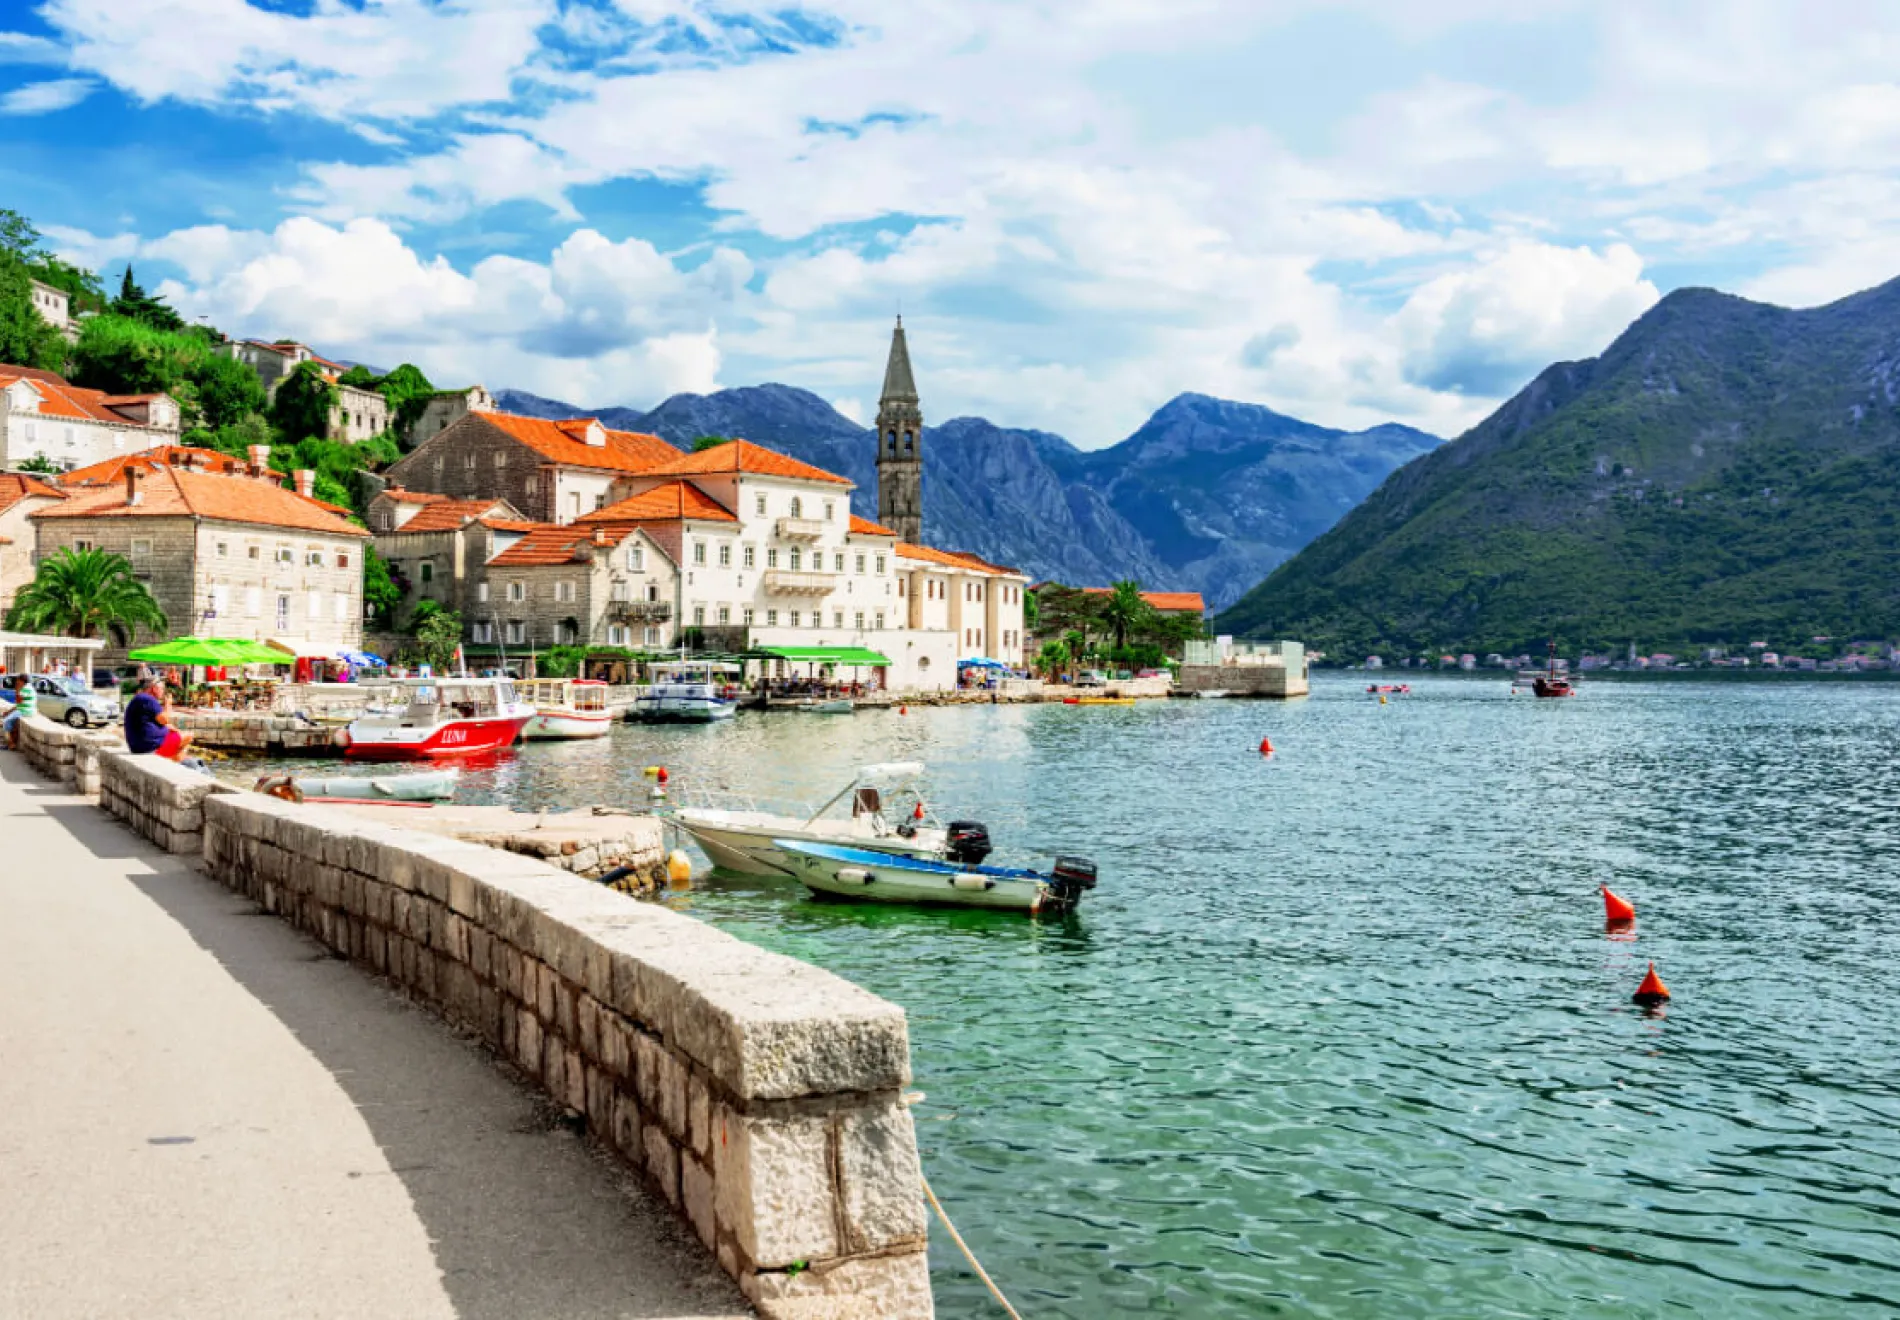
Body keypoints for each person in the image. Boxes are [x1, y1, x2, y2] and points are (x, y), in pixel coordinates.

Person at [124, 675, 192, 761]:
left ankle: (174, 762)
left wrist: (168, 728)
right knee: (188, 736)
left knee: (176, 734)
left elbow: (155, 721)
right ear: (154, 688)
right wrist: (168, 704)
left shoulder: (141, 698)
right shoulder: (148, 699)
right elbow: (165, 720)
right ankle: (175, 764)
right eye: (162, 688)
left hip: (139, 745)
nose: (163, 691)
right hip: (149, 746)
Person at [4, 675, 37, 749]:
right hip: (24, 709)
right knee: (12, 722)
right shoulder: (27, 687)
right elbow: (19, 704)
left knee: (7, 721)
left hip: (26, 710)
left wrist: (17, 689)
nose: (16, 682)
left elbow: (18, 701)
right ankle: (12, 742)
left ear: (22, 681)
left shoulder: (26, 688)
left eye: (18, 680)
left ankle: (11, 744)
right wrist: (9, 711)